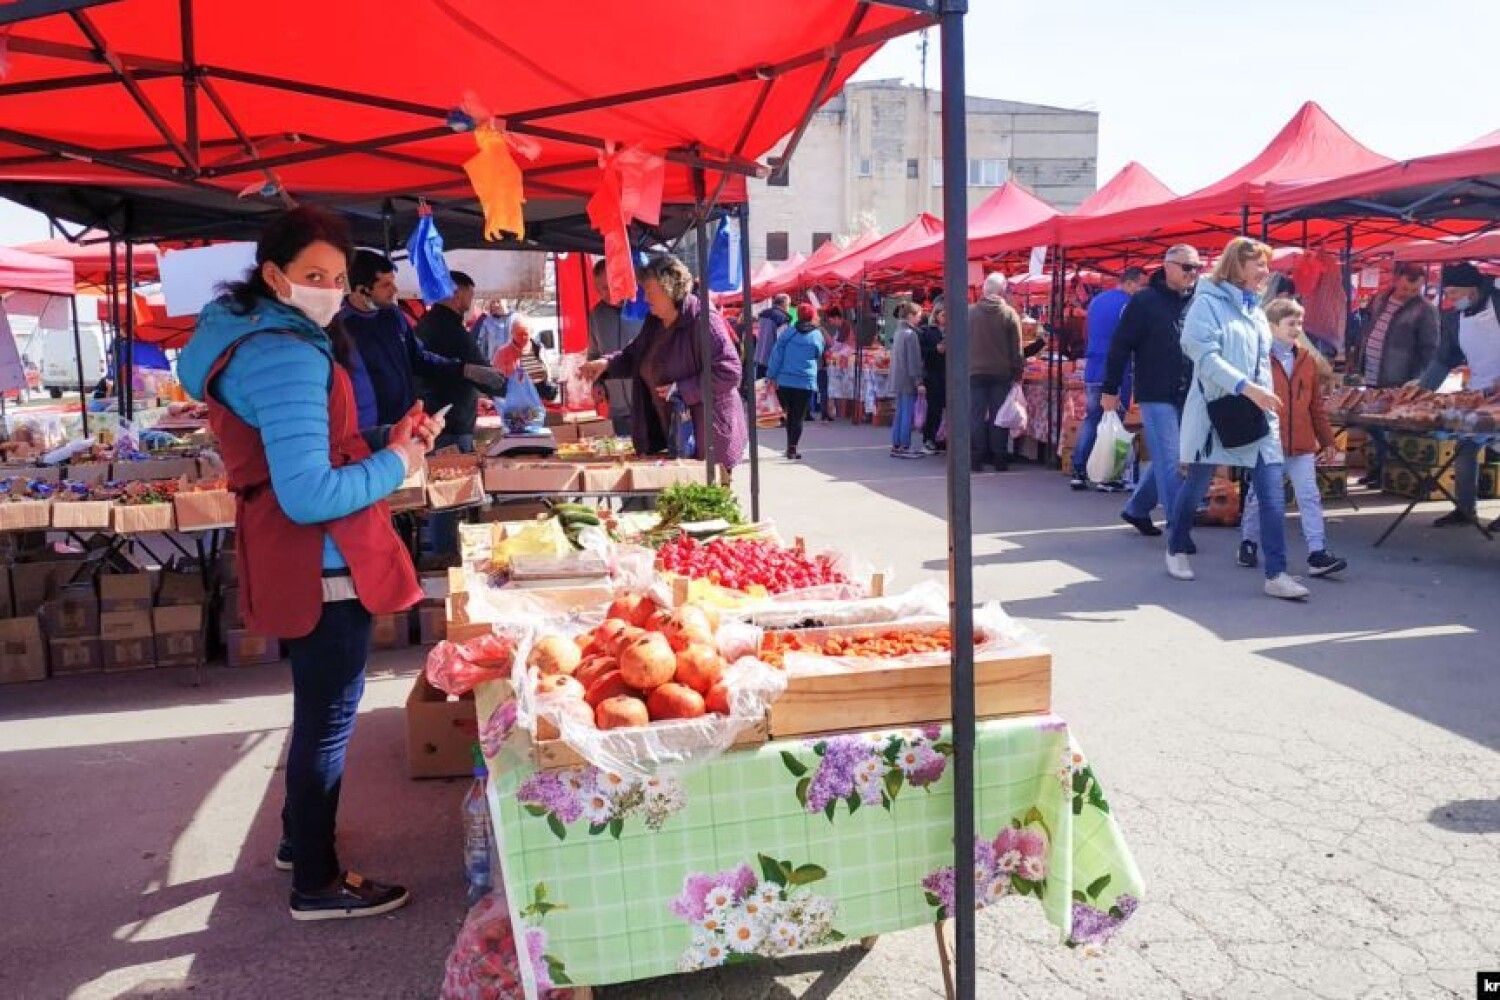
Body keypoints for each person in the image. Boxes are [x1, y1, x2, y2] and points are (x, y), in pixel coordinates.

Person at [178, 207, 440, 920]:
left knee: (318, 709)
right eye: (312, 276)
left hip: (294, 553)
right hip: (320, 560)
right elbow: (310, 492)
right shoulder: (286, 351)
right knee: (328, 717)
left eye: (336, 277)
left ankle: (301, 841)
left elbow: (309, 448)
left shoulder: (257, 339)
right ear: (274, 276)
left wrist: (390, 435)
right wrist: (398, 461)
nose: (328, 288)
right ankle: (317, 884)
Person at [1166, 237, 1308, 600]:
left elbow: (1262, 361)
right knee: (1197, 483)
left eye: (1266, 264)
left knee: (1272, 494)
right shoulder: (1205, 304)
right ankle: (1176, 546)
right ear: (1237, 265)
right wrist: (1247, 387)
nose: (1266, 272)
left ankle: (1276, 573)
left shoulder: (1257, 311)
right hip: (1215, 413)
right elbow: (1204, 357)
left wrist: (1264, 395)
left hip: (1256, 414)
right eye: (1258, 264)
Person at [580, 255, 748, 478]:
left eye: (649, 290)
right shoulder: (655, 321)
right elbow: (635, 355)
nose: (645, 296)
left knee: (709, 504)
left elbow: (730, 371)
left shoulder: (703, 320)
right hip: (676, 432)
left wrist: (682, 389)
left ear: (669, 289)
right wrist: (606, 364)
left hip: (708, 434)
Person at [1238, 298, 1347, 577]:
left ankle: (1317, 552)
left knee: (1309, 496)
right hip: (1269, 440)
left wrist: (1328, 440)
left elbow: (1315, 405)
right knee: (1257, 496)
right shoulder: (1257, 358)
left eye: (1299, 323)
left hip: (1301, 441)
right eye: (1291, 323)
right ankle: (1248, 541)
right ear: (1272, 326)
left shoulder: (1306, 360)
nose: (1297, 328)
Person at [340, 251, 502, 428]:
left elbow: (418, 358)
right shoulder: (340, 327)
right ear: (362, 290)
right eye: (386, 285)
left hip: (404, 423)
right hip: (366, 429)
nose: (395, 290)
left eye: (393, 282)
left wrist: (463, 369)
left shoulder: (393, 315)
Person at [1103, 246, 1201, 537]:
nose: (1192, 274)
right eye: (1187, 267)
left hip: (1188, 393)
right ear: (1168, 266)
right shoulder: (1144, 301)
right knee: (1172, 461)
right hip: (1155, 392)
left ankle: (1137, 508)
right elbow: (1120, 345)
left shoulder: (1197, 300)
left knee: (1172, 458)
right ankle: (1178, 530)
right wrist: (1110, 388)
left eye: (1196, 268)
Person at [1421, 262, 1500, 529]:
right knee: (1466, 448)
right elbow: (1444, 359)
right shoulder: (1454, 319)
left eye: (1456, 294)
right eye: (1449, 294)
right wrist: (1421, 392)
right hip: (1478, 393)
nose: (1452, 300)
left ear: (1474, 290)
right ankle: (1465, 510)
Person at [1350, 262, 1440, 485]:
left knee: (1388, 427)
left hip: (1399, 376)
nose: (1409, 294)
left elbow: (1430, 348)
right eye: (1404, 289)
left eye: (1414, 290)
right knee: (1372, 423)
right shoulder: (1380, 299)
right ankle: (1378, 467)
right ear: (1395, 280)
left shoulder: (1425, 309)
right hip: (1372, 371)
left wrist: (1419, 379)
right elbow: (1369, 329)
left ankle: (1386, 471)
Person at [1071, 267, 1145, 489]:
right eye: (1142, 286)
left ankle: (1079, 470)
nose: (1143, 291)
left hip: (1093, 368)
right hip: (1117, 371)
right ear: (1131, 284)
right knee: (1115, 421)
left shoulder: (1096, 301)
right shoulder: (1130, 305)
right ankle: (1109, 475)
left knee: (1093, 419)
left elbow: (1087, 333)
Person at [413, 271, 487, 453]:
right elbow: (482, 371)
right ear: (457, 293)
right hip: (451, 422)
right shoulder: (451, 329)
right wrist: (505, 387)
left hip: (433, 417)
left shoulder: (425, 323)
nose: (471, 302)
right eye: (470, 295)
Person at [968, 273, 1025, 472]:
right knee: (998, 416)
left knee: (975, 415)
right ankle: (999, 457)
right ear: (1002, 291)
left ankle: (976, 458)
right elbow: (1017, 350)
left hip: (974, 372)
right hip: (1001, 373)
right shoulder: (1010, 314)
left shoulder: (970, 313)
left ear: (984, 291)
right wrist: (1018, 374)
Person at [587, 258, 642, 435]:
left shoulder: (641, 308)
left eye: (609, 285)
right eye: (601, 288)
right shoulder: (596, 315)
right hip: (617, 409)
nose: (607, 292)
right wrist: (598, 383)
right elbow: (595, 354)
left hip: (647, 406)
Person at [765, 304, 825, 460]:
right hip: (805, 381)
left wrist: (771, 375)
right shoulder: (817, 335)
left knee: (790, 413)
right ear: (812, 316)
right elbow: (818, 352)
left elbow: (776, 355)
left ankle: (789, 446)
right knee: (798, 416)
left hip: (785, 380)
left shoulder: (788, 332)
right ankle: (793, 447)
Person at [888, 301, 925, 459]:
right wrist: (919, 381)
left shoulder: (898, 332)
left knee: (900, 412)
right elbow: (914, 361)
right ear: (910, 316)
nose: (920, 319)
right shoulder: (911, 335)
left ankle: (896, 444)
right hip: (908, 379)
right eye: (918, 316)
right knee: (907, 413)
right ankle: (905, 445)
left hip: (898, 377)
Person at [492, 315, 558, 402]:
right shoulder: (502, 353)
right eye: (519, 334)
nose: (523, 337)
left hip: (541, 397)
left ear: (531, 332)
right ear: (512, 333)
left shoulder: (539, 348)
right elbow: (496, 380)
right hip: (517, 399)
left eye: (525, 334)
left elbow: (547, 373)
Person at [918, 302, 947, 453]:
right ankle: (928, 439)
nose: (946, 318)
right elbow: (922, 353)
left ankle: (940, 438)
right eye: (943, 315)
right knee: (934, 409)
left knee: (946, 409)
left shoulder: (953, 331)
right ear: (936, 315)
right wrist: (935, 349)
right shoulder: (928, 331)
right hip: (933, 375)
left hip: (948, 376)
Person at [754, 293, 792, 379]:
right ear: (784, 304)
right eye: (789, 305)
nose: (789, 308)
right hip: (773, 360)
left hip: (759, 357)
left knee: (761, 388)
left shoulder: (762, 315)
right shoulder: (782, 318)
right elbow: (782, 341)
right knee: (773, 390)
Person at [470, 298, 515, 364]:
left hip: (511, 363)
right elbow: (479, 343)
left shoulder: (515, 318)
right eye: (493, 302)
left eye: (498, 301)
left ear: (505, 301)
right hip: (492, 363)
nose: (495, 305)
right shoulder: (486, 321)